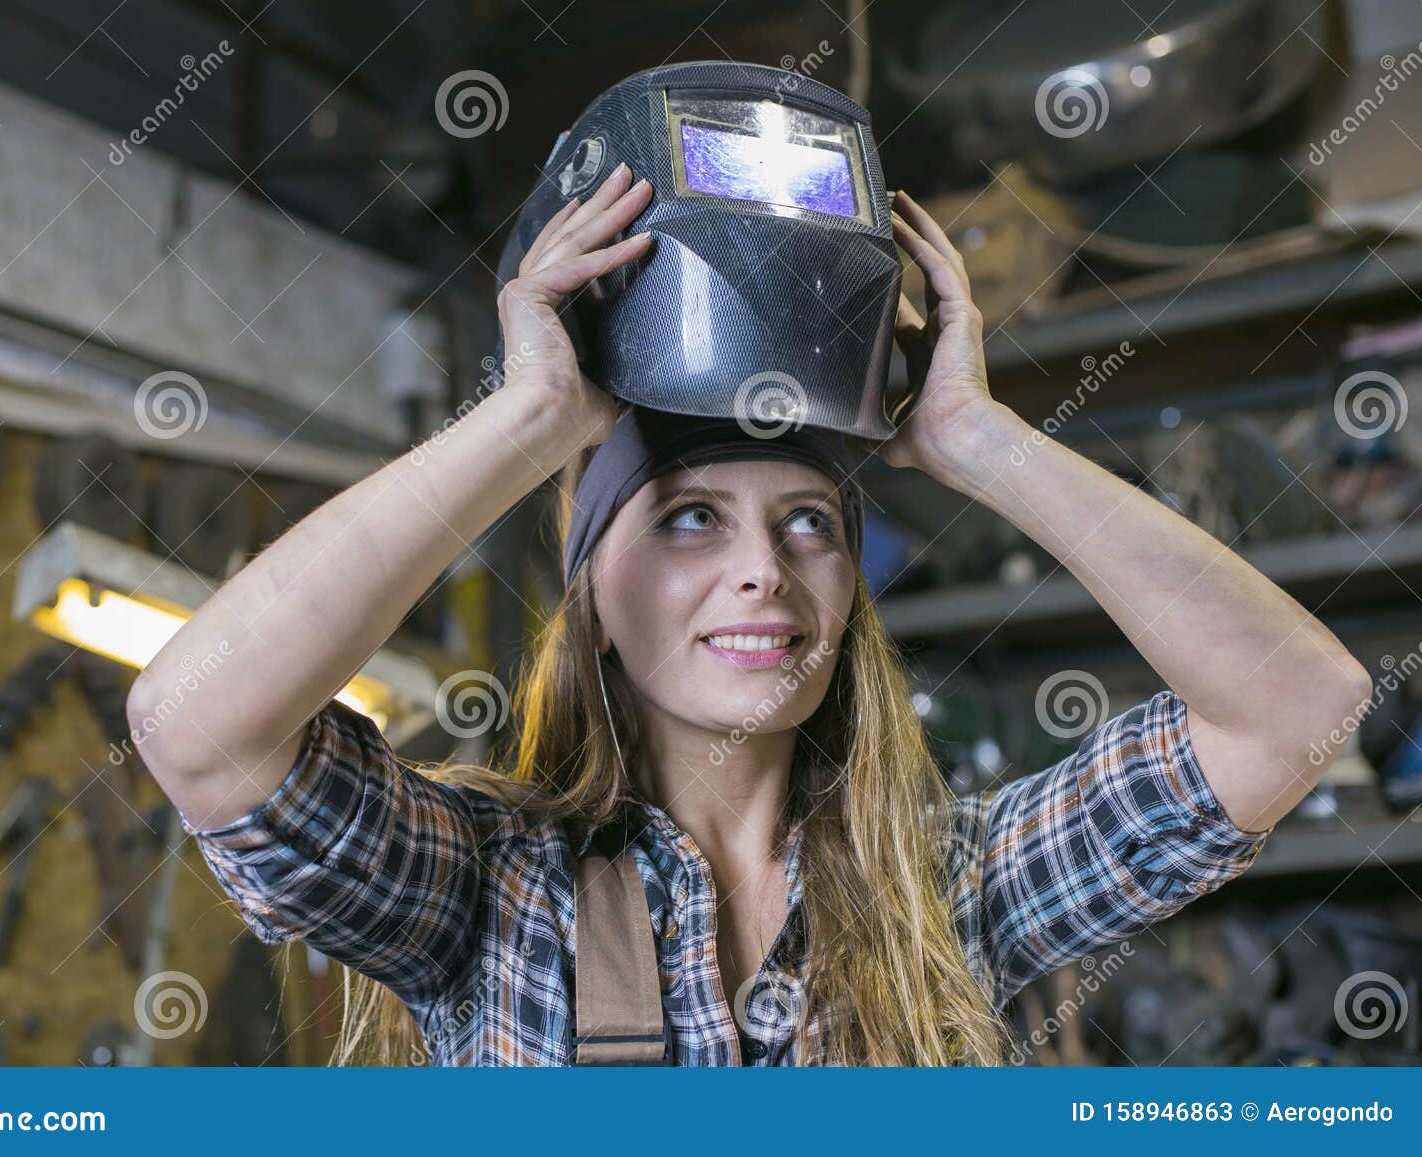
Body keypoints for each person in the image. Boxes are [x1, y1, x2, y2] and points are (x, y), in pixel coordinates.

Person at [128, 161, 1372, 1066]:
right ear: (594, 595)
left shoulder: (950, 884)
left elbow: (1295, 710)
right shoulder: (490, 888)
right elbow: (195, 724)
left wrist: (974, 441)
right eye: (686, 517)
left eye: (808, 522)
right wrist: (526, 429)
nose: (762, 571)